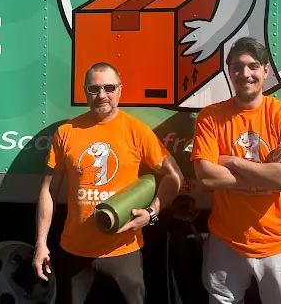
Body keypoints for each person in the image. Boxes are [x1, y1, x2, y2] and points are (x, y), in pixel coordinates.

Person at [33, 62, 183, 304]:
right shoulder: (66, 132)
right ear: (85, 92)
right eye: (94, 89)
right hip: (74, 252)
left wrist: (151, 214)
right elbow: (49, 191)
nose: (102, 95)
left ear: (120, 90)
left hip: (123, 251)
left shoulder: (137, 131)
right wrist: (41, 243)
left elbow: (174, 176)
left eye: (109, 88)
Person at [190, 37, 281, 304]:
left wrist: (232, 161)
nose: (245, 73)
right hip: (226, 241)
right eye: (237, 67)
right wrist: (269, 172)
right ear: (229, 71)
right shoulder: (210, 117)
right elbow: (207, 176)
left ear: (265, 70)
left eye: (253, 66)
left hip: (278, 243)